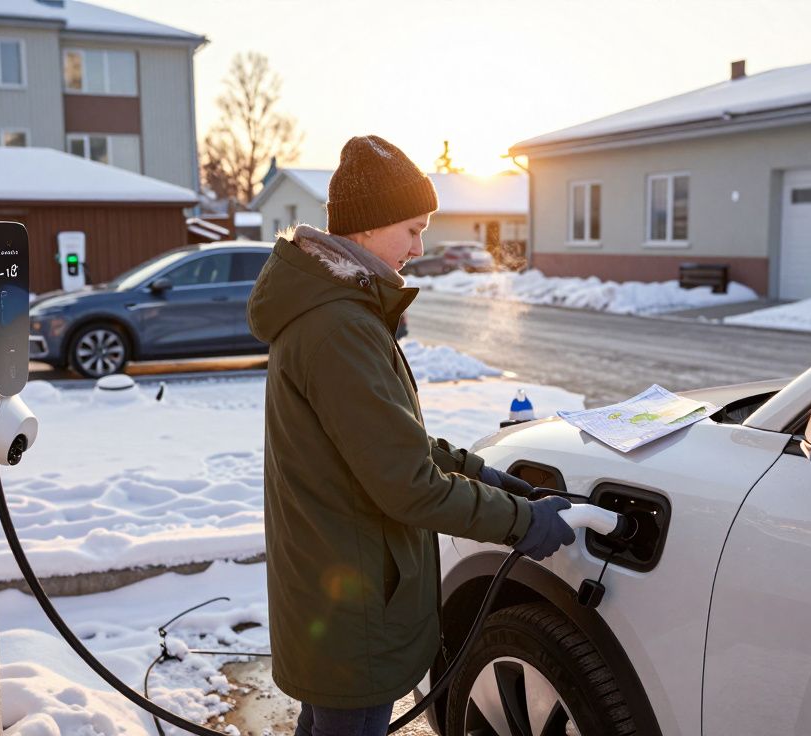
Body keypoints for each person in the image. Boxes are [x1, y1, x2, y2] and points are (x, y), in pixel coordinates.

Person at [246, 135, 576, 736]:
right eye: (412, 229)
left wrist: (486, 476)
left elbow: (388, 441)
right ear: (368, 227)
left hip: (334, 585)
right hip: (355, 602)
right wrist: (523, 523)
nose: (420, 248)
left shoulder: (336, 309)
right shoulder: (339, 326)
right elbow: (408, 485)